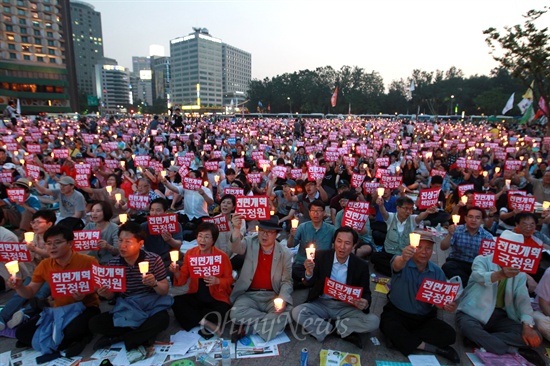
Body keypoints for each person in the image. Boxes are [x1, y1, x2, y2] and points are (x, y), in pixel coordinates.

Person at [9, 226, 101, 358]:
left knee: (72, 330)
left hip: (86, 308)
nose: (52, 247)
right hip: (58, 310)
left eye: (57, 243)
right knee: (21, 333)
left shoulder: (88, 261)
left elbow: (101, 285)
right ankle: (67, 341)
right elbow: (30, 292)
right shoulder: (45, 265)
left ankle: (81, 338)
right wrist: (19, 287)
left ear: (70, 243)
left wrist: (86, 292)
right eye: (48, 243)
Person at [456, 230, 545, 366]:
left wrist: (527, 325)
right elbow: (479, 276)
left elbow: (523, 300)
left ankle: (480, 340)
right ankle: (512, 349)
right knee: (468, 326)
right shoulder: (482, 260)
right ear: (499, 248)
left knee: (534, 336)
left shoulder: (519, 273)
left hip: (500, 316)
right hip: (473, 312)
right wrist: (500, 274)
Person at [89, 222, 172, 358]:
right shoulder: (114, 263)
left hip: (150, 306)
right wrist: (106, 293)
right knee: (95, 323)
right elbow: (112, 296)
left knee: (162, 319)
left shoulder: (153, 259)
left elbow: (164, 291)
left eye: (128, 242)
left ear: (140, 244)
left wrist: (154, 283)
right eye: (120, 241)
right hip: (127, 307)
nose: (122, 246)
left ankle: (124, 337)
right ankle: (141, 336)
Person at [292, 227, 380, 349]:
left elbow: (366, 292)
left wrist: (365, 303)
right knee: (297, 312)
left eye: (347, 243)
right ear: (334, 242)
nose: (342, 247)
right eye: (339, 241)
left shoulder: (361, 265)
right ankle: (342, 331)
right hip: (322, 303)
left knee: (373, 321)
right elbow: (309, 282)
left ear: (354, 246)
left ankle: (327, 328)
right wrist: (308, 273)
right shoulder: (321, 256)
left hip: (346, 307)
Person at [380, 231, 460, 363]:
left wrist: (446, 305)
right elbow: (396, 265)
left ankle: (402, 340)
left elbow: (440, 302)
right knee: (387, 325)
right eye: (419, 247)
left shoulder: (437, 272)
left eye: (428, 248)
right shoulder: (402, 262)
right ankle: (433, 348)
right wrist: (404, 258)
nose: (424, 252)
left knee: (450, 335)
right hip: (398, 313)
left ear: (432, 250)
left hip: (424, 318)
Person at [229, 215, 293, 342]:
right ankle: (271, 323)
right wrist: (236, 229)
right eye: (262, 230)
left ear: (276, 235)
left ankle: (248, 329)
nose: (265, 235)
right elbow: (236, 248)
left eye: (269, 232)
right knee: (235, 313)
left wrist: (283, 299)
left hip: (272, 296)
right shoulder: (249, 242)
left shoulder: (285, 253)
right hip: (249, 295)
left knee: (289, 312)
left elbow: (287, 281)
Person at [169, 222, 233, 339]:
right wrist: (176, 272)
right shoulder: (190, 253)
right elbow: (182, 279)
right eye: (200, 236)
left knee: (225, 312)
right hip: (196, 295)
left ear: (213, 240)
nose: (202, 240)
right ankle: (207, 323)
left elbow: (229, 279)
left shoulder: (222, 256)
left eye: (207, 237)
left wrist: (217, 281)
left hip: (216, 296)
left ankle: (196, 318)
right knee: (176, 302)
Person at [0, 210, 55, 331]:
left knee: (41, 294)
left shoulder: (54, 238)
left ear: (49, 224)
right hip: (36, 272)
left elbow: (54, 255)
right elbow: (28, 260)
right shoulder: (32, 238)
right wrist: (25, 251)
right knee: (19, 294)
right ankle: (2, 317)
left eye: (38, 222)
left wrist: (35, 249)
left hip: (53, 274)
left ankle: (24, 313)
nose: (34, 225)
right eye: (33, 222)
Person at [371, 196, 436, 276]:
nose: (408, 212)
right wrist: (381, 205)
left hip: (404, 256)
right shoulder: (391, 218)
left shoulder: (412, 220)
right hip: (389, 254)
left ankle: (395, 271)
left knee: (414, 262)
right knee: (375, 257)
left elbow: (420, 216)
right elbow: (384, 212)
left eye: (410, 209)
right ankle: (399, 272)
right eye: (405, 208)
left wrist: (427, 212)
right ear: (398, 208)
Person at [440, 206, 494, 286]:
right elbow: (443, 247)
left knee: (483, 274)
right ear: (465, 218)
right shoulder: (457, 230)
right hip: (457, 261)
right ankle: (470, 285)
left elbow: (490, 257)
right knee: (447, 266)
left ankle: (467, 284)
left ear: (482, 221)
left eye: (477, 218)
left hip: (475, 265)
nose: (473, 220)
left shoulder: (487, 236)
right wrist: (450, 234)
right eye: (470, 217)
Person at [287, 200, 336, 285]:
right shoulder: (302, 227)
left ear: (324, 212)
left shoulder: (331, 229)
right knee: (293, 271)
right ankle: (307, 281)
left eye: (319, 211)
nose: (316, 213)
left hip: (320, 264)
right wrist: (291, 236)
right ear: (309, 212)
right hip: (302, 263)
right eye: (313, 211)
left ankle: (306, 282)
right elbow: (290, 245)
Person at [141, 198, 183, 270]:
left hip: (168, 258)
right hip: (150, 259)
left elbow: (178, 244)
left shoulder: (174, 224)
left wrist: (169, 240)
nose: (154, 213)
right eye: (152, 210)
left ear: (166, 211)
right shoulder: (144, 226)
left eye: (158, 210)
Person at [213, 194, 246, 270]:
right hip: (217, 254)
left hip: (234, 255)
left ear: (233, 207)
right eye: (223, 202)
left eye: (228, 203)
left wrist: (235, 227)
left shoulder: (239, 219)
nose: (225, 205)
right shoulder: (214, 220)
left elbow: (240, 237)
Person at [83, 201, 119, 265]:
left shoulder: (114, 228)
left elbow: (118, 251)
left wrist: (108, 246)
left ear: (105, 212)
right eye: (92, 211)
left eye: (98, 211)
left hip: (109, 263)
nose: (94, 213)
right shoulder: (89, 226)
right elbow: (80, 241)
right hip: (91, 261)